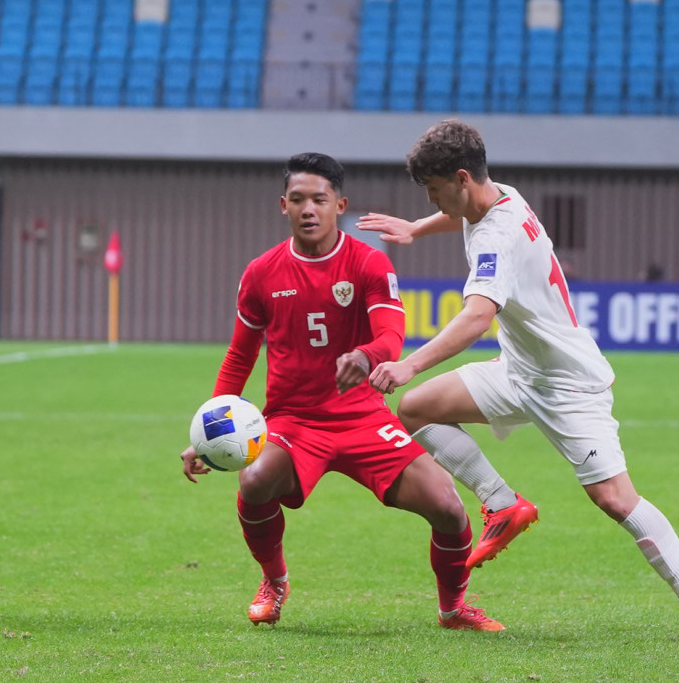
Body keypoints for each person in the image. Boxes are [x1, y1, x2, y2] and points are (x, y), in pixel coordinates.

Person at [358, 119, 679, 646]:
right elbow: (460, 217)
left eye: (436, 191)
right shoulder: (498, 194)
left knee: (617, 500)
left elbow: (476, 319)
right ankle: (503, 503)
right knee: (416, 410)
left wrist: (410, 363)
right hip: (518, 371)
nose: (435, 200)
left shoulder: (495, 235)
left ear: (462, 179)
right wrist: (418, 227)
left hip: (569, 384)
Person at [180, 152, 504, 631]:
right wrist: (207, 431)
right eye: (298, 200)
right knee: (253, 482)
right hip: (293, 422)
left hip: (364, 418)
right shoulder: (261, 273)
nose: (308, 209)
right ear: (283, 206)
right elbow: (239, 356)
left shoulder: (368, 262)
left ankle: (453, 608)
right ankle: (275, 580)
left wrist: (367, 356)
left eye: (319, 199)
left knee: (448, 505)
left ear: (340, 204)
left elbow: (393, 335)